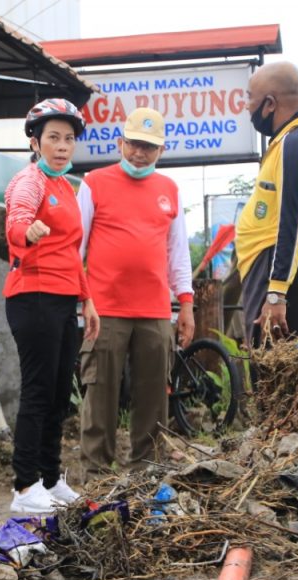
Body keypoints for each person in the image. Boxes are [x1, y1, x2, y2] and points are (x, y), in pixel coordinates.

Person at [77, 107, 195, 473]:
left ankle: (146, 469)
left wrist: (186, 304)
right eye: (134, 144)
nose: (140, 153)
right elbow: (74, 247)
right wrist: (83, 300)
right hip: (105, 309)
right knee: (101, 393)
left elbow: (178, 252)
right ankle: (96, 476)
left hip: (156, 310)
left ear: (161, 151)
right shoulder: (93, 183)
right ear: (120, 143)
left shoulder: (169, 190)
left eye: (149, 147)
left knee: (153, 394)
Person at [4, 98, 100, 514]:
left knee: (62, 394)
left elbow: (72, 252)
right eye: (54, 138)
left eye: (69, 139)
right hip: (33, 295)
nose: (62, 146)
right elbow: (16, 217)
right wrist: (29, 230)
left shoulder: (67, 186)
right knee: (39, 392)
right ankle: (25, 487)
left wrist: (88, 299)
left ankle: (49, 478)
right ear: (36, 141)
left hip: (63, 297)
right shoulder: (31, 180)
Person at [235, 62, 298, 347]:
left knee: (276, 377)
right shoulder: (295, 141)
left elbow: (291, 220)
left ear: (269, 104)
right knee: (291, 378)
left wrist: (276, 292)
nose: (246, 106)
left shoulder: (297, 143)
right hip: (296, 265)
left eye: (249, 98)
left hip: (287, 273)